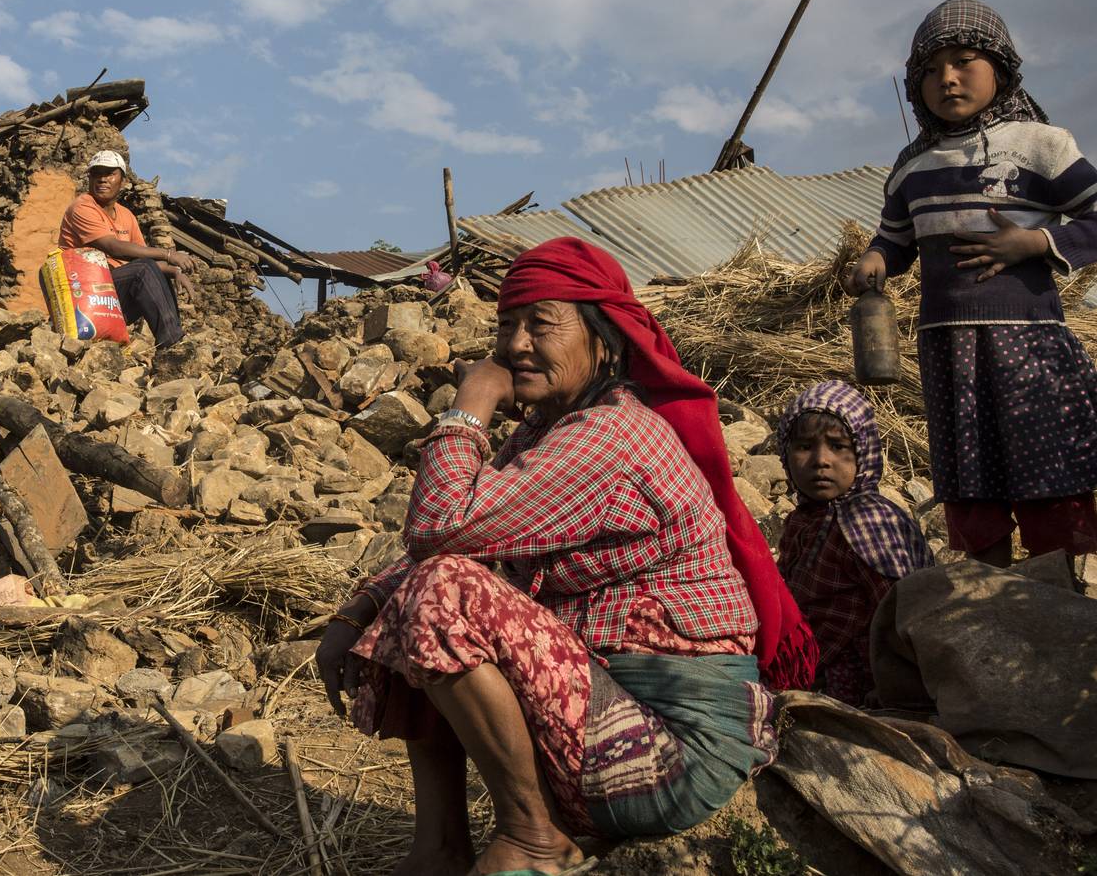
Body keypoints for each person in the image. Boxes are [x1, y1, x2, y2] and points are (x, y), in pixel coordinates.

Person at [316, 238, 814, 876]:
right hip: (607, 713)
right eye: (506, 326)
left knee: (444, 594)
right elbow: (470, 541)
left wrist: (472, 401)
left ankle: (532, 838)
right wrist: (355, 613)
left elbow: (437, 532)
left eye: (540, 324)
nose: (516, 344)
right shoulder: (552, 431)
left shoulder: (609, 436)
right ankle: (440, 846)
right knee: (414, 605)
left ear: (603, 340)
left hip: (673, 754)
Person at [849, 0, 1097, 567]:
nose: (947, 79)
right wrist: (874, 259)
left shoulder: (1043, 145)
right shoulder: (913, 165)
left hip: (1028, 344)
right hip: (948, 348)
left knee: (1046, 471)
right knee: (968, 476)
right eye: (930, 70)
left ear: (1002, 68)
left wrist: (1035, 242)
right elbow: (896, 241)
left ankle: (1059, 603)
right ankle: (988, 602)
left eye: (964, 61)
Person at [775, 381, 932, 708]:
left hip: (860, 673)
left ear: (863, 452)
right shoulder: (804, 518)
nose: (821, 460)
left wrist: (892, 683)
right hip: (814, 658)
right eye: (804, 446)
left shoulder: (869, 525)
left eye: (837, 446)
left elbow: (900, 612)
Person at [57, 150, 197, 349]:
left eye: (110, 174)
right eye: (97, 174)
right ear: (89, 179)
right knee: (144, 269)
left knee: (155, 272)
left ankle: (172, 340)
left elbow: (141, 259)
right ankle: (173, 346)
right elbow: (114, 248)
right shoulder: (82, 207)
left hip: (110, 297)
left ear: (122, 180)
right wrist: (168, 254)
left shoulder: (126, 215)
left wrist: (175, 271)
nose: (102, 179)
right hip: (84, 297)